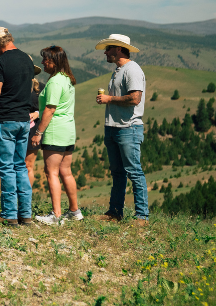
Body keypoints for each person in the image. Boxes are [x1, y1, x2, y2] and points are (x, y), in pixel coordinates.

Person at [0, 27, 34, 227]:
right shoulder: (27, 59)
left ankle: (9, 214)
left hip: (5, 119)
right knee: (21, 166)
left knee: (6, 168)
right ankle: (25, 214)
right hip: (23, 119)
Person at [95, 34, 149, 225]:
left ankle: (142, 216)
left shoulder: (132, 70)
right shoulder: (119, 70)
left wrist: (109, 99)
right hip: (114, 127)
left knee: (134, 172)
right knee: (118, 172)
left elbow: (135, 98)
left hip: (128, 128)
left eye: (108, 48)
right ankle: (115, 212)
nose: (105, 52)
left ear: (118, 49)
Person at [32, 46, 83, 224]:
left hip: (55, 131)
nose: (42, 63)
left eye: (45, 60)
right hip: (68, 131)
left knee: (51, 172)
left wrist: (38, 132)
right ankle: (74, 211)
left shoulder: (54, 82)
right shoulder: (68, 79)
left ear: (53, 62)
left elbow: (50, 109)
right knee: (66, 172)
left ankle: (56, 214)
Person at [0, 57, 42, 201]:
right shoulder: (15, 84)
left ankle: (23, 197)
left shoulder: (40, 88)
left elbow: (49, 107)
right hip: (19, 123)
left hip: (32, 127)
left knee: (26, 164)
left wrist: (37, 113)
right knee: (0, 159)